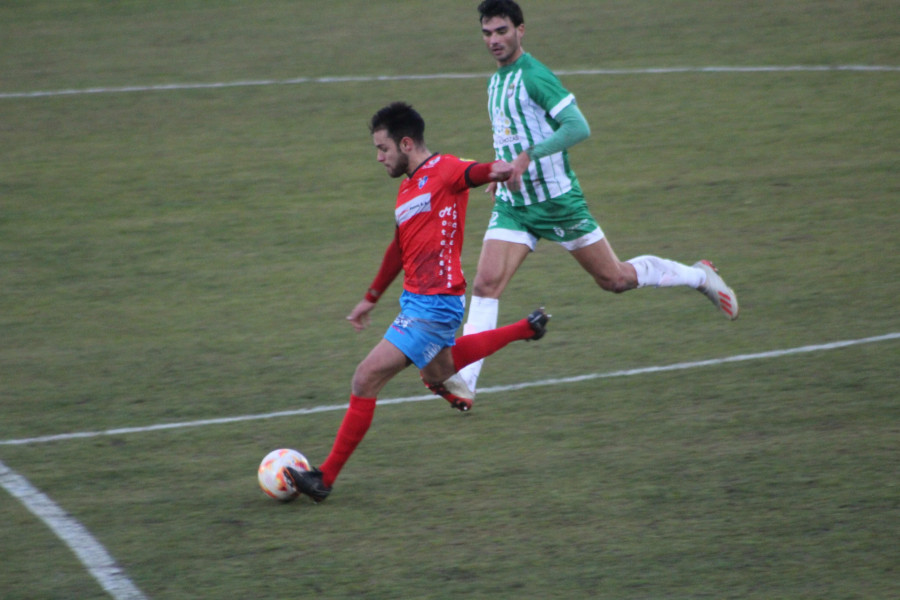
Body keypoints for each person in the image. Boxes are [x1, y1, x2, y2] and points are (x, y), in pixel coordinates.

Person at [457, 0, 739, 398]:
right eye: (487, 33)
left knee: (615, 279)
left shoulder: (535, 77)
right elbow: (512, 135)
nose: (494, 40)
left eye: (502, 31)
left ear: (521, 30)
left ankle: (699, 275)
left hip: (557, 203)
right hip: (515, 205)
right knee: (485, 285)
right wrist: (499, 172)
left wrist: (528, 157)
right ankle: (465, 383)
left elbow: (578, 126)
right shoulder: (496, 82)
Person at [284, 102, 550, 502]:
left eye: (383, 148)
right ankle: (525, 329)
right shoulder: (407, 189)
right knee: (440, 368)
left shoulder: (444, 170)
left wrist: (501, 169)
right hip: (416, 301)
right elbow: (398, 248)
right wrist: (370, 298)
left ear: (406, 143)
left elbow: (476, 171)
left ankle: (324, 478)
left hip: (437, 304)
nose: (379, 158)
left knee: (365, 377)